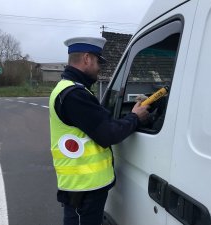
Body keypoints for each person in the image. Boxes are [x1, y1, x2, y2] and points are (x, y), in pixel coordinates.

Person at [49, 36, 149, 225]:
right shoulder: (74, 95)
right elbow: (108, 133)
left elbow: (100, 120)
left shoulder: (73, 89)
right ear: (86, 58)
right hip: (83, 192)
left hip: (84, 190)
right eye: (98, 61)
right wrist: (135, 117)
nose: (99, 67)